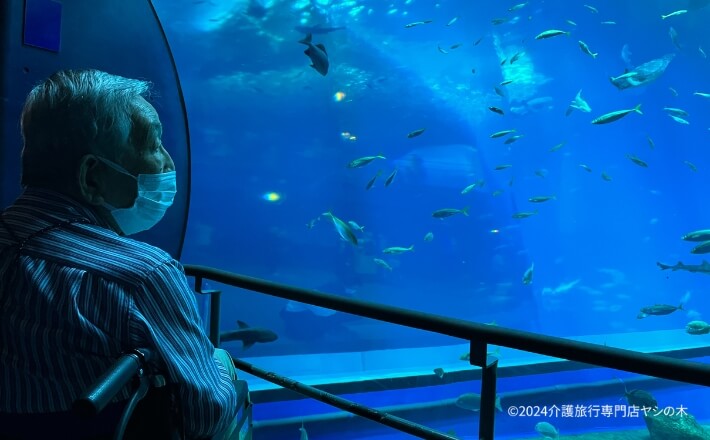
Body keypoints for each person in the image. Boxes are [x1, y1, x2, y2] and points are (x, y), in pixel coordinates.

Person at [0, 69, 239, 439]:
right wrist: (221, 367)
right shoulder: (142, 275)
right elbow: (205, 418)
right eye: (152, 144)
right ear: (92, 176)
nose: (167, 163)